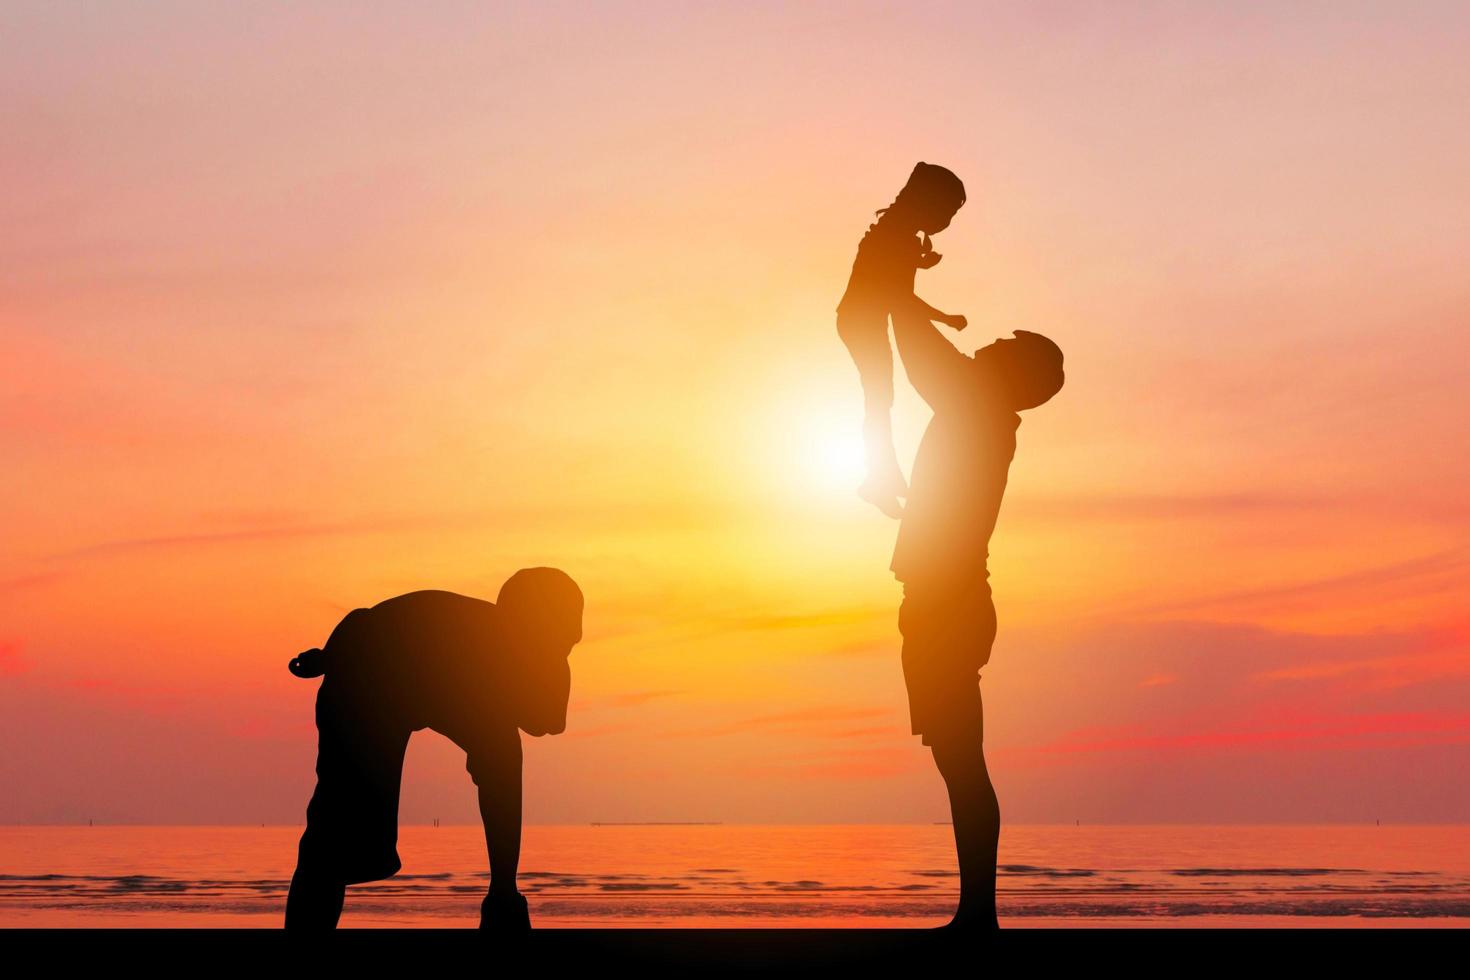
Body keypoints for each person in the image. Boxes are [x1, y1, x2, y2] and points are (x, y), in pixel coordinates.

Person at [888, 297, 1064, 931]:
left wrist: (899, 290)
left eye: (999, 349)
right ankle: (976, 913)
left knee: (963, 762)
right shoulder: (980, 410)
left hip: (949, 606)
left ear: (1012, 375)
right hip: (941, 602)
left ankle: (978, 916)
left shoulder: (977, 405)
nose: (984, 347)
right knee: (958, 761)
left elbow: (918, 356)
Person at [283, 567, 584, 932]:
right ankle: (304, 938)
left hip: (375, 664)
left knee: (501, 754)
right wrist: (332, 657)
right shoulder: (480, 656)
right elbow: (376, 630)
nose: (567, 648)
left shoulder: (500, 659)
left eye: (570, 640)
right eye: (561, 639)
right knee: (337, 836)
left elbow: (546, 724)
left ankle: (503, 894)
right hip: (364, 677)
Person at [837, 162, 969, 519]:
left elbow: (892, 280)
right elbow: (899, 296)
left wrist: (918, 262)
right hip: (860, 321)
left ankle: (883, 476)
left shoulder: (901, 235)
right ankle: (879, 477)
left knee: (881, 397)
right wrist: (946, 318)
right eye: (948, 210)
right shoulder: (894, 235)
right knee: (879, 397)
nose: (948, 220)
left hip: (866, 321)